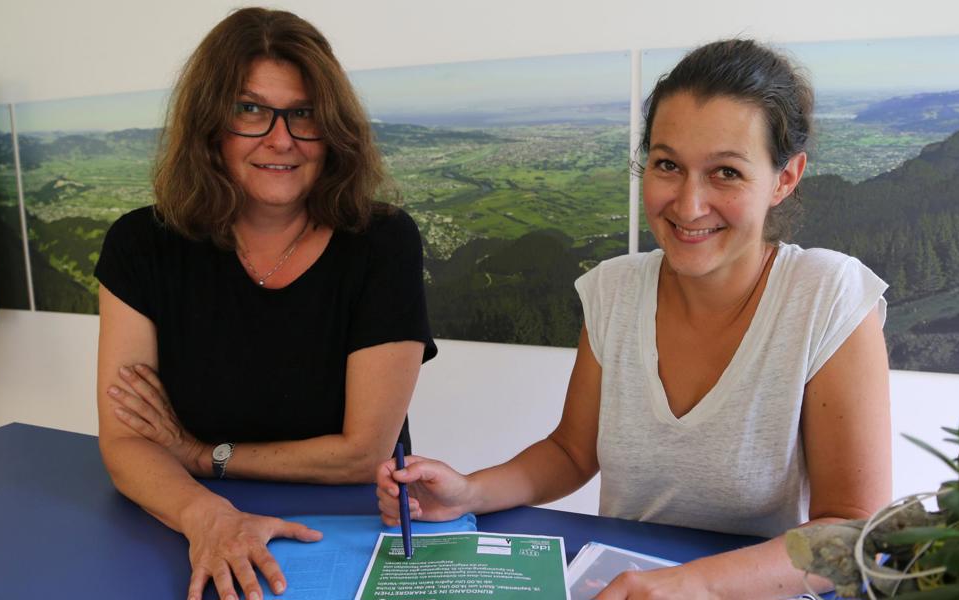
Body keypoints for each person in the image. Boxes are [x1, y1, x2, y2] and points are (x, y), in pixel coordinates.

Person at [376, 39, 891, 599]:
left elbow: (852, 531)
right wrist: (468, 492)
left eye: (725, 172)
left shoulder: (827, 295)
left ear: (785, 178)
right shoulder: (615, 290)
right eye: (668, 165)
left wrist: (690, 586)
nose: (688, 205)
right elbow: (571, 452)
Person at [94, 8, 436, 600]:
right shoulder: (140, 245)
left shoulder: (381, 242)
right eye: (250, 110)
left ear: (333, 129)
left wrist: (200, 455)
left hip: (345, 529)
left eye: (304, 113)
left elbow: (361, 456)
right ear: (209, 126)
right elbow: (126, 439)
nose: (281, 139)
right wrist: (206, 515)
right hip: (181, 522)